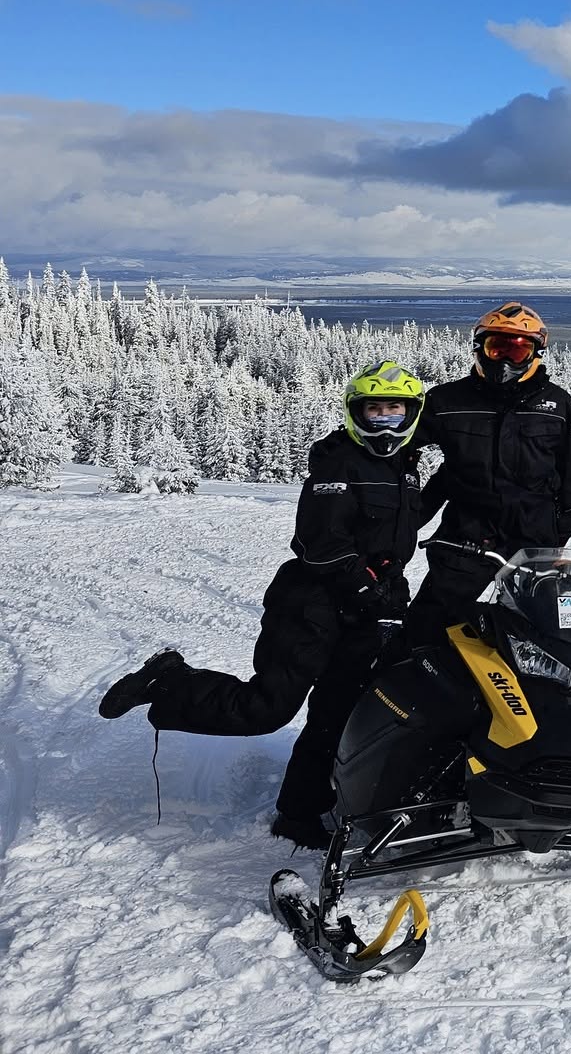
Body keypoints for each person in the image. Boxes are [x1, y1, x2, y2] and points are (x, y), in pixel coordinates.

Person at [98, 361, 428, 850]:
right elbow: (320, 543)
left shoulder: (405, 470)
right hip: (312, 603)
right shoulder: (336, 463)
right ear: (355, 412)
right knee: (267, 708)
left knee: (336, 713)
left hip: (367, 607)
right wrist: (365, 587)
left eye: (393, 411)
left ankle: (299, 811)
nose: (383, 422)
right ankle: (169, 680)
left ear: (411, 415)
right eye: (373, 410)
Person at [404, 301, 571, 643]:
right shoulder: (448, 401)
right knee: (428, 628)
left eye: (518, 351)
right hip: (466, 536)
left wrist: (561, 527)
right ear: (480, 348)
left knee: (542, 636)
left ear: (536, 354)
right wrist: (344, 451)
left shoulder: (557, 405)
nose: (505, 358)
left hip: (535, 540)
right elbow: (397, 440)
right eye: (497, 347)